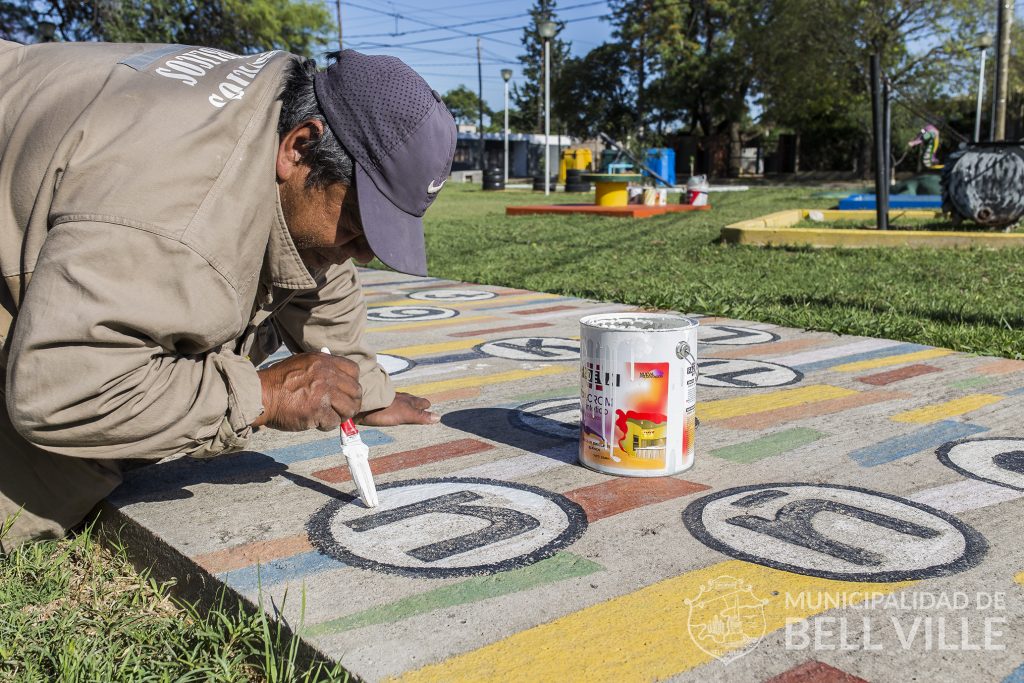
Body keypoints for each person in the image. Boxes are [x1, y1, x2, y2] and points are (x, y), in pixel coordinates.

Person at [0, 39, 457, 550]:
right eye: (357, 224)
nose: (365, 254)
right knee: (45, 486)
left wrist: (364, 389)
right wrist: (263, 396)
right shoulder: (178, 215)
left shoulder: (287, 101)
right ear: (300, 147)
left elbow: (306, 263)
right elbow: (57, 391)